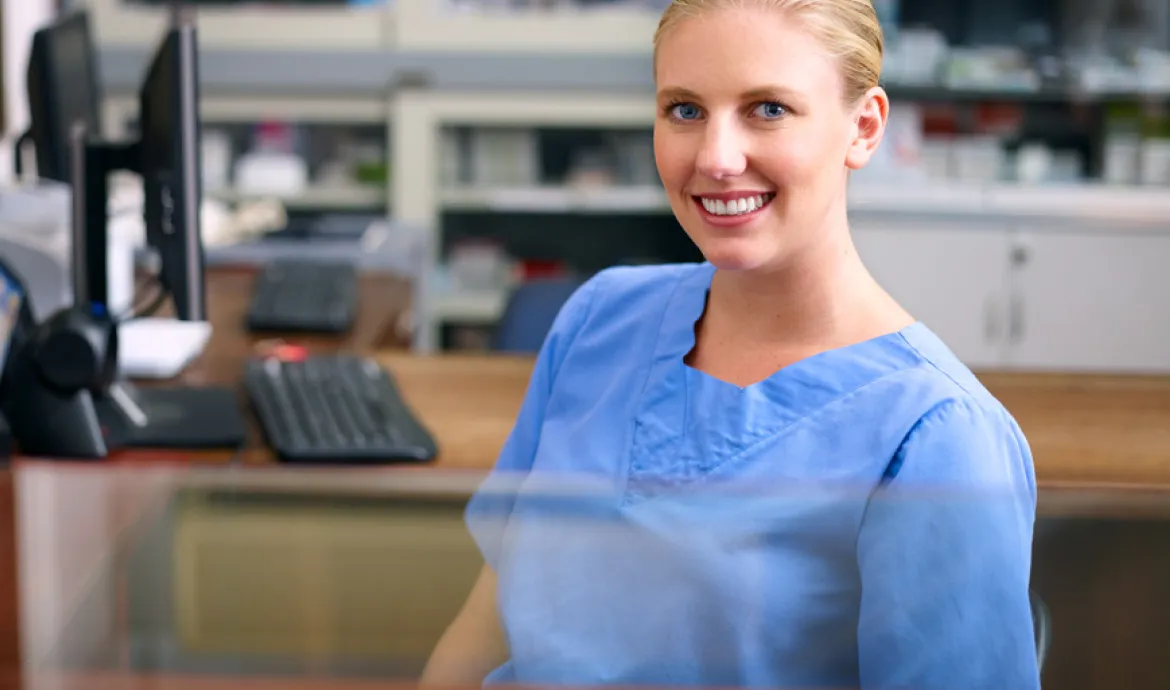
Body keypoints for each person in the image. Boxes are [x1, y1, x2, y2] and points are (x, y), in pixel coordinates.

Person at [421, 1, 1040, 688]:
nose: (715, 159)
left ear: (862, 128)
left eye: (768, 109)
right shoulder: (601, 319)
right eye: (684, 110)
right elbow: (488, 617)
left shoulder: (936, 438)